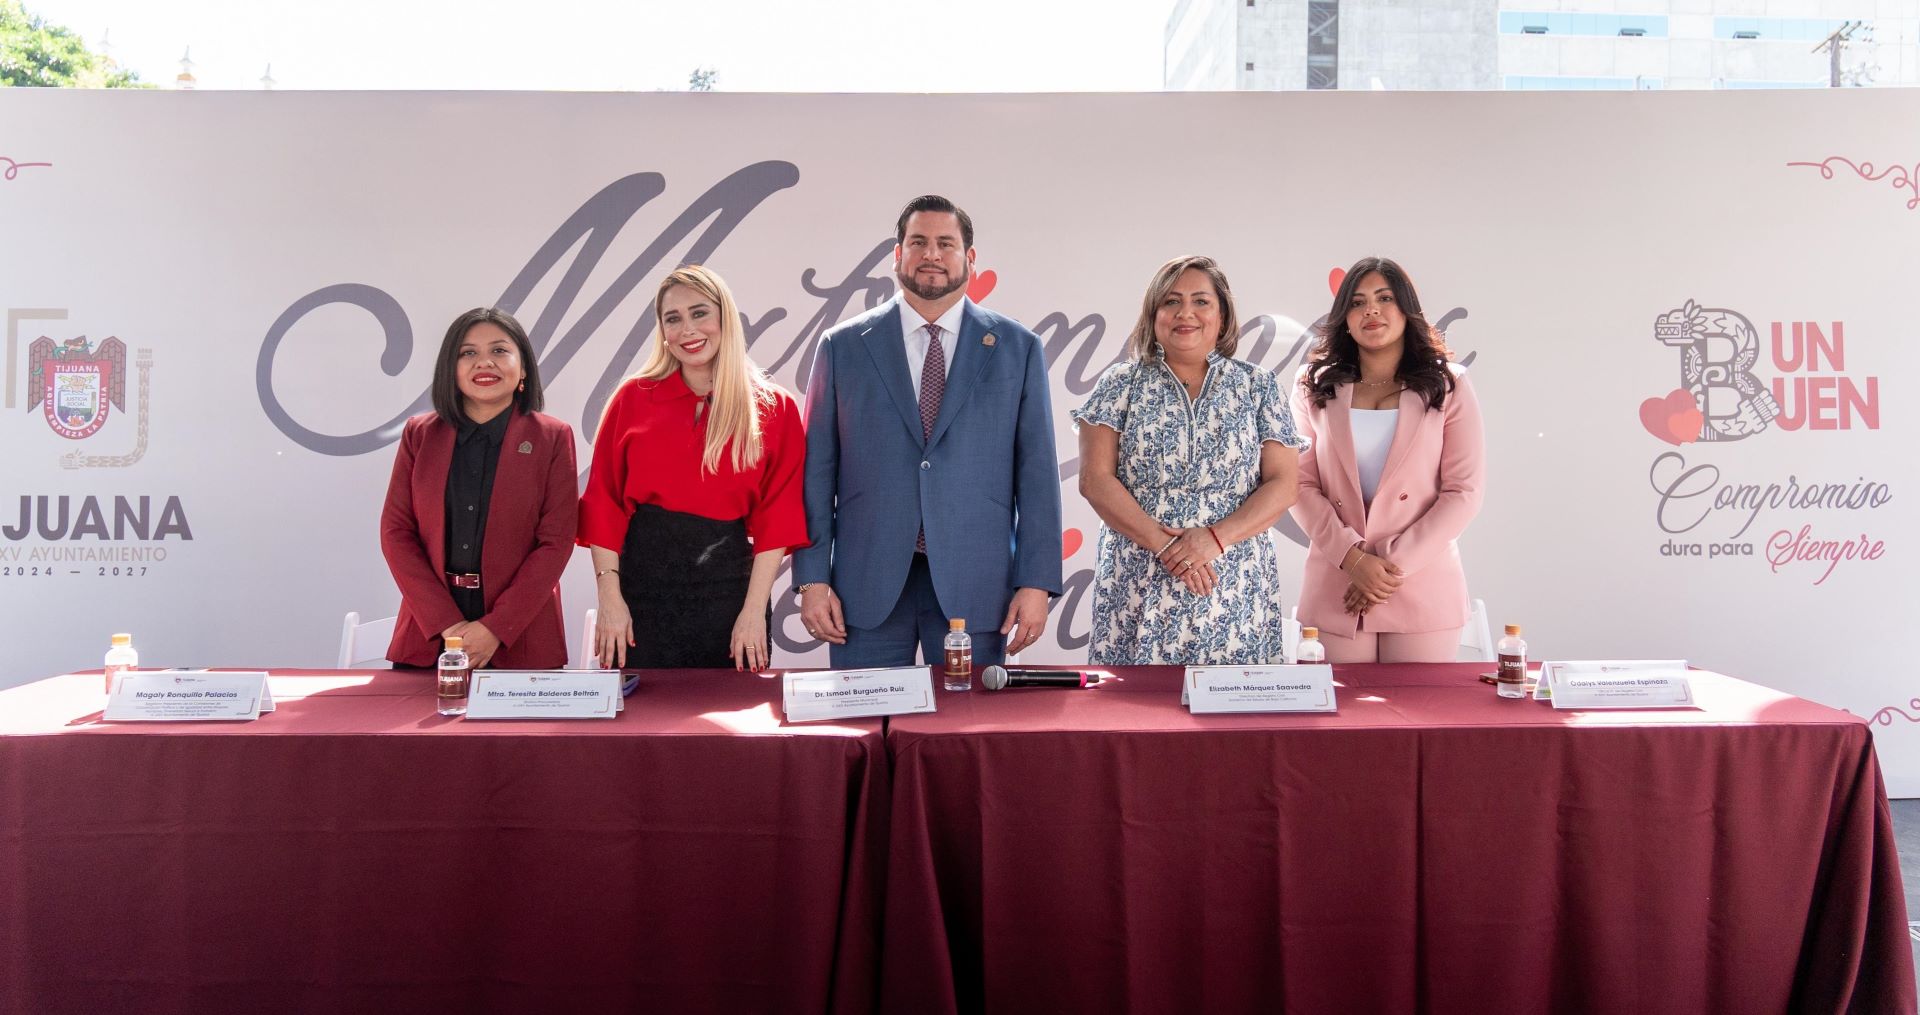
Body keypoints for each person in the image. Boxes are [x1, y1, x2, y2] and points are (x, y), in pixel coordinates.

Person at [795, 195, 1062, 668]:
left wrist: (1036, 582)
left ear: (970, 258)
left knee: (966, 735)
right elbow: (817, 472)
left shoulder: (1018, 348)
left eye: (945, 243)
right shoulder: (843, 347)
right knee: (866, 734)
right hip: (867, 588)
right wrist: (813, 579)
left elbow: (1037, 475)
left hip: (978, 588)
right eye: (918, 242)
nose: (932, 255)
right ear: (897, 255)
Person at [1072, 255, 1307, 664]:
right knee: (1136, 716)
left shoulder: (1258, 385)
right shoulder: (1119, 384)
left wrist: (1214, 539)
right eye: (1171, 301)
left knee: (1235, 715)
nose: (1186, 313)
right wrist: (1166, 547)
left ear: (1222, 315)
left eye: (1201, 301)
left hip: (1233, 578)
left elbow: (1283, 484)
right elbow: (1095, 480)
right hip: (1139, 575)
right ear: (1153, 314)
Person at [580, 265, 808, 671]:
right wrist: (609, 600)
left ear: (725, 317)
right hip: (640, 595)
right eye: (673, 318)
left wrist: (754, 612)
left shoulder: (777, 409)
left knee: (730, 727)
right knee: (640, 726)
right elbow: (603, 504)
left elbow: (778, 517)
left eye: (699, 313)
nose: (687, 329)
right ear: (662, 332)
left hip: (731, 597)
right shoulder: (632, 399)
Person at [1289, 256, 1485, 663]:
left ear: (1406, 309)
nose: (1371, 310)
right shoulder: (1313, 384)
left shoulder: (1448, 383)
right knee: (1336, 719)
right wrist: (1353, 559)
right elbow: (1298, 484)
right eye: (1358, 302)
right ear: (1344, 317)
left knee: (1421, 720)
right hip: (1338, 580)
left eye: (1385, 298)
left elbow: (1463, 492)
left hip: (1420, 579)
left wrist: (1388, 565)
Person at [379, 307, 578, 669]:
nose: (484, 363)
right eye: (468, 353)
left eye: (499, 351)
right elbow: (396, 533)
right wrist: (449, 627)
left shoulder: (552, 437)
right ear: (450, 369)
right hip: (430, 635)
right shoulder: (419, 434)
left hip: (520, 639)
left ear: (523, 367)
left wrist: (495, 629)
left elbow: (556, 542)